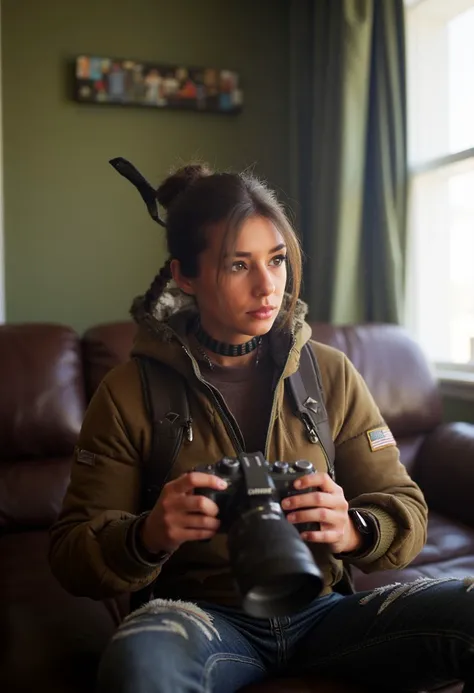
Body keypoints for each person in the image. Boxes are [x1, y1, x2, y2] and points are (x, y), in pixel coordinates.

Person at [49, 163, 474, 693]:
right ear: (186, 276)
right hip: (202, 621)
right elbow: (72, 553)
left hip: (324, 611)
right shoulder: (128, 391)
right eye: (237, 265)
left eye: (276, 260)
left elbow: (403, 505)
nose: (268, 285)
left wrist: (353, 528)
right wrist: (148, 534)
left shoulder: (330, 373)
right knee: (139, 668)